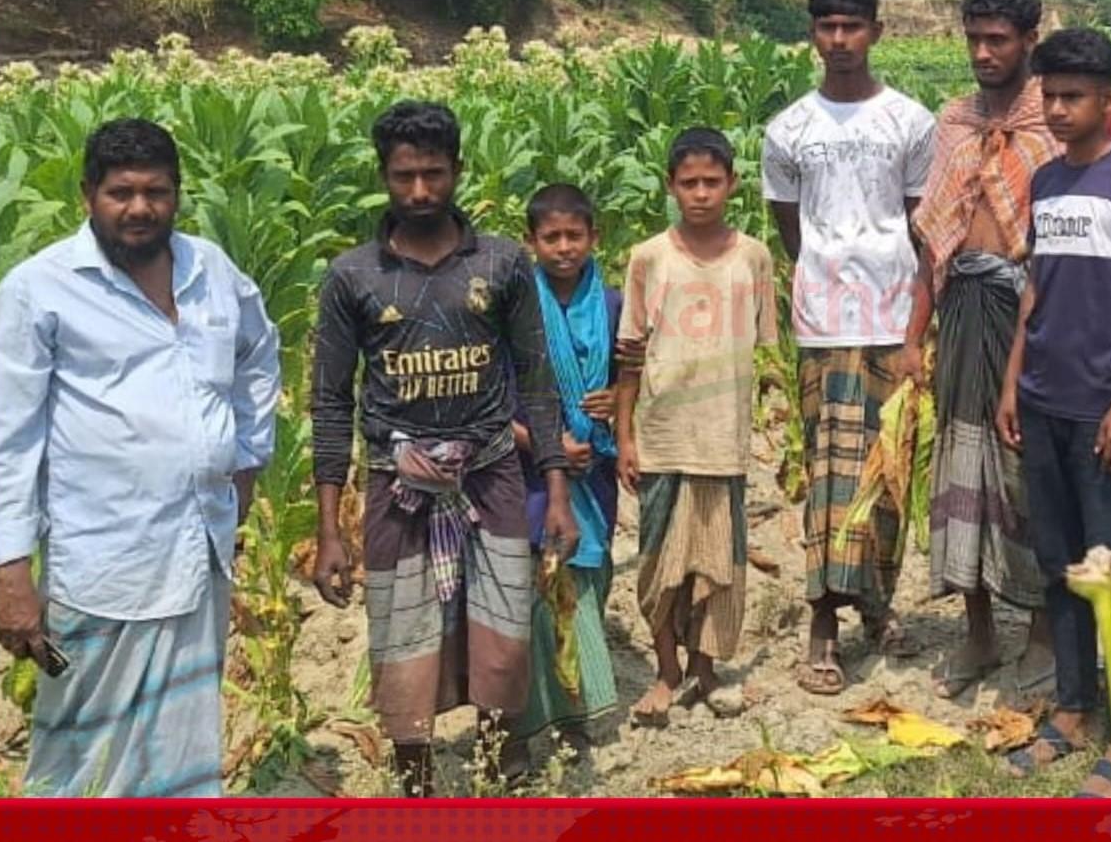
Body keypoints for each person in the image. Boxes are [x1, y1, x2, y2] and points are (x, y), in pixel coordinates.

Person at [0, 117, 280, 797]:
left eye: (157, 190)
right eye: (121, 191)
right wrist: (9, 570)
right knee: (82, 755)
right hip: (105, 560)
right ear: (88, 193)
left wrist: (245, 457)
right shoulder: (41, 287)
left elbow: (260, 353)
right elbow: (8, 435)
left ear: (177, 194)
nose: (140, 207)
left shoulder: (212, 270)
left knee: (183, 749)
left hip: (199, 546)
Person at [309, 101, 578, 796]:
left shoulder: (501, 263)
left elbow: (536, 381)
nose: (420, 191)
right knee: (402, 631)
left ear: (458, 170)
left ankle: (496, 758)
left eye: (433, 174)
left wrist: (554, 490)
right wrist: (328, 527)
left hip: (490, 472)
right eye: (404, 176)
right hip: (397, 486)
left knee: (500, 623)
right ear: (384, 177)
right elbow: (332, 401)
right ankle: (415, 777)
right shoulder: (353, 276)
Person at [996, 29, 1111, 795]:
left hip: (1104, 407)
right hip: (1041, 401)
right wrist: (1010, 381)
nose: (1060, 110)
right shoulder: (1043, 184)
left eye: (1074, 96)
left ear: (1107, 96)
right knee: (1060, 564)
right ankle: (1070, 709)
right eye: (1051, 97)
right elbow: (1033, 289)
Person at [762, 0, 936, 696]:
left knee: (887, 469)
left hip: (893, 316)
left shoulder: (909, 122)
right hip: (823, 319)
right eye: (827, 26)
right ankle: (821, 620)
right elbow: (788, 225)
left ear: (875, 31)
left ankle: (875, 601)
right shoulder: (787, 128)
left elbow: (922, 227)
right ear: (812, 33)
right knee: (830, 472)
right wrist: (827, 273)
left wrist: (915, 331)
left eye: (852, 26)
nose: (839, 40)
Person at [908, 0, 1058, 698]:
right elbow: (931, 239)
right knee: (960, 459)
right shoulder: (954, 120)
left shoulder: (1053, 118)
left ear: (1029, 38)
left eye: (997, 39)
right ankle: (976, 627)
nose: (982, 51)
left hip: (1033, 309)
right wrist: (914, 334)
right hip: (962, 303)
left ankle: (1038, 626)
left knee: (1024, 464)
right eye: (972, 37)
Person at [616, 127, 778, 727]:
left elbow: (761, 355)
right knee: (660, 563)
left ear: (733, 184)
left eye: (713, 181)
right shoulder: (648, 257)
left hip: (722, 440)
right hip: (662, 436)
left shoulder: (753, 257)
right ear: (671, 187)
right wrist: (626, 437)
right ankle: (666, 671)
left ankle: (706, 669)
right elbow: (630, 354)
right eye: (690, 183)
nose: (702, 194)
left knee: (718, 562)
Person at [507, 184, 623, 765]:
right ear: (531, 243)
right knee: (545, 582)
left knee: (590, 578)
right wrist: (548, 446)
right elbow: (494, 403)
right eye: (550, 237)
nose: (562, 248)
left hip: (596, 469)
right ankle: (543, 712)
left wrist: (615, 401)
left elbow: (635, 378)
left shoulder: (613, 305)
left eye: (573, 235)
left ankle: (584, 712)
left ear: (593, 238)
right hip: (533, 471)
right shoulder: (516, 309)